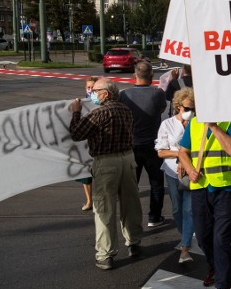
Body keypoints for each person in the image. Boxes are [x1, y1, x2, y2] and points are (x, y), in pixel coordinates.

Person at [69, 79, 143, 270]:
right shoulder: (126, 110)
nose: (92, 93)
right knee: (131, 204)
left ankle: (105, 254)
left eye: (95, 91)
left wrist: (76, 112)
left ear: (106, 94)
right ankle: (134, 242)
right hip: (128, 159)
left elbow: (77, 133)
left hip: (106, 162)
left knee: (104, 208)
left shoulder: (99, 113)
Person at [177, 113, 231, 289]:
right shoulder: (194, 123)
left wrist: (214, 126)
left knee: (220, 238)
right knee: (204, 236)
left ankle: (223, 287)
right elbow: (183, 151)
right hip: (200, 188)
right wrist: (189, 170)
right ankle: (215, 266)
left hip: (225, 187)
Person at [120, 61, 167, 227]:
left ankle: (131, 219)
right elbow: (161, 109)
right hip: (153, 145)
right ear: (152, 76)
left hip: (131, 145)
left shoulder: (124, 95)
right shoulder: (158, 93)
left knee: (132, 185)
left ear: (134, 75)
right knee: (156, 183)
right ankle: (154, 216)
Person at [156, 87, 196, 264]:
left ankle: (185, 247)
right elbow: (161, 152)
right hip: (172, 172)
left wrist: (187, 160)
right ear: (178, 106)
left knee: (190, 209)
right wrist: (180, 155)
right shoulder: (167, 124)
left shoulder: (198, 124)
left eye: (193, 109)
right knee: (177, 209)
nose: (190, 112)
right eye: (187, 109)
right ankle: (185, 234)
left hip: (193, 171)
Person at [76, 76, 99, 212]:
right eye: (88, 87)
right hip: (85, 145)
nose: (90, 90)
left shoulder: (102, 103)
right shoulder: (80, 103)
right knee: (86, 175)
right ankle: (89, 200)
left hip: (99, 144)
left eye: (93, 88)